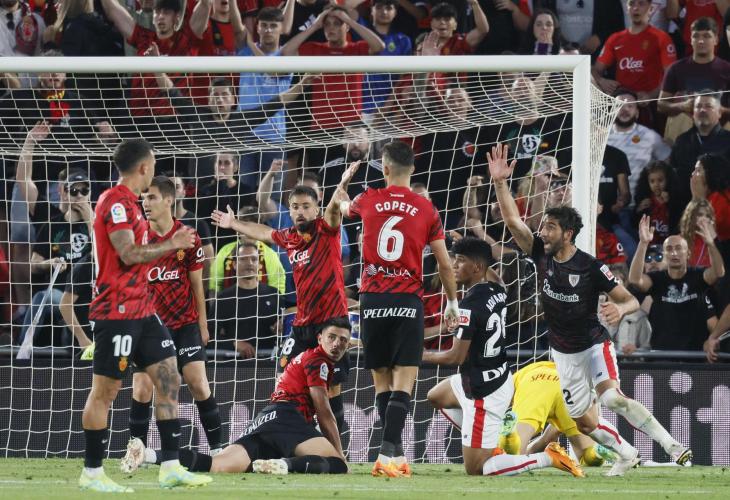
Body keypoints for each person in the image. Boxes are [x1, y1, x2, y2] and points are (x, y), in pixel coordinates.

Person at [488, 142, 692, 476]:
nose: (542, 232)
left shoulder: (591, 267)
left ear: (568, 233)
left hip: (594, 344)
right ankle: (627, 453)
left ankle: (673, 446)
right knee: (584, 423)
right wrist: (499, 182)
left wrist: (620, 310)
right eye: (543, 227)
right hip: (563, 353)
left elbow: (629, 298)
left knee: (612, 399)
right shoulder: (540, 254)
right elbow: (512, 220)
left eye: (550, 228)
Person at [79, 139, 211, 492]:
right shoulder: (115, 202)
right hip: (117, 310)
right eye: (152, 162)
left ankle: (170, 466)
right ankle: (92, 472)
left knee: (168, 378)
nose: (153, 168)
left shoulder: (133, 206)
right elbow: (127, 253)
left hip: (143, 309)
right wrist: (172, 244)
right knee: (106, 391)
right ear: (144, 167)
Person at [338, 141, 459, 477]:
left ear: (385, 168)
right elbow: (444, 264)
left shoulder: (368, 199)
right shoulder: (426, 208)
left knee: (382, 383)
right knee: (404, 382)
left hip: (372, 299)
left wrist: (343, 185)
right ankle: (386, 454)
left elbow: (342, 206)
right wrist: (451, 302)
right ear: (413, 169)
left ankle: (396, 456)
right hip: (407, 299)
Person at [423, 237, 584, 478]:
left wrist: (420, 355)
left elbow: (455, 357)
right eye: (455, 259)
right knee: (436, 396)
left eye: (461, 260)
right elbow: (495, 276)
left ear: (477, 267)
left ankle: (547, 457)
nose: (454, 265)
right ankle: (489, 438)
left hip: (483, 391)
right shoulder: (497, 289)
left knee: (477, 468)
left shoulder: (468, 307)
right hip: (495, 376)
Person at [212, 166, 355, 434]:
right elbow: (263, 232)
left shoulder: (326, 229)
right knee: (285, 376)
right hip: (302, 325)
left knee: (331, 387)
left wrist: (341, 187)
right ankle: (290, 434)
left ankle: (338, 442)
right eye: (295, 207)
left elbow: (334, 210)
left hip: (331, 323)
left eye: (306, 206)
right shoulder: (289, 237)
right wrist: (234, 224)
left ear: (316, 208)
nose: (300, 211)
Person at [143, 318, 352, 475]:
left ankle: (148, 454)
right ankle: (284, 464)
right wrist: (340, 454)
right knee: (337, 464)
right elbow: (324, 412)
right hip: (288, 417)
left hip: (266, 418)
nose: (337, 344)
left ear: (349, 344)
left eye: (343, 340)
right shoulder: (318, 361)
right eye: (332, 337)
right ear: (319, 338)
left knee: (218, 465)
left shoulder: (305, 357)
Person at [119, 176, 224, 473]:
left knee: (198, 383)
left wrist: (203, 323)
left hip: (185, 324)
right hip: (150, 328)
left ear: (168, 200)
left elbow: (197, 284)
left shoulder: (188, 236)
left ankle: (218, 449)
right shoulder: (138, 237)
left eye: (151, 197)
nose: (145, 203)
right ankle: (136, 452)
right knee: (142, 388)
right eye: (143, 198)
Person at [628, 216, 723, 351]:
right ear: (665, 255)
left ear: (688, 254)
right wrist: (643, 243)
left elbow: (718, 272)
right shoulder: (657, 279)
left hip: (694, 356)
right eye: (669, 249)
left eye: (678, 248)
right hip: (662, 355)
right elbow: (634, 279)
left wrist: (710, 243)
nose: (674, 253)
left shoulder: (698, 276)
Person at [497, 361, 615, 468]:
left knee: (513, 455)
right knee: (586, 456)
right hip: (569, 386)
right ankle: (597, 453)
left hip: (535, 381)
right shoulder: (547, 367)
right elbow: (546, 440)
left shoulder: (519, 377)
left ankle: (509, 436)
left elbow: (503, 395)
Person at [593, 0, 676, 103]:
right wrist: (601, 81)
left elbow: (671, 75)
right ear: (627, 9)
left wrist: (651, 95)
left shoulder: (661, 38)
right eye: (631, 4)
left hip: (651, 103)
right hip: (623, 103)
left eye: (641, 4)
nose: (635, 8)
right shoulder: (615, 39)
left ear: (651, 9)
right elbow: (595, 70)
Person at [211, 241, 280, 358]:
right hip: (233, 363)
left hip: (269, 362)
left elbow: (288, 330)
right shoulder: (223, 298)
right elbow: (209, 336)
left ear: (259, 264)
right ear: (234, 264)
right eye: (243, 259)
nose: (249, 263)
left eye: (254, 259)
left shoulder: (273, 294)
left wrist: (282, 327)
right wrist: (234, 344)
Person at [669, 92, 730, 207]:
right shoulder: (682, 141)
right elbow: (672, 176)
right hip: (683, 208)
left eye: (708, 106)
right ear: (693, 113)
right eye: (698, 106)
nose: (702, 110)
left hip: (719, 209)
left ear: (719, 113)